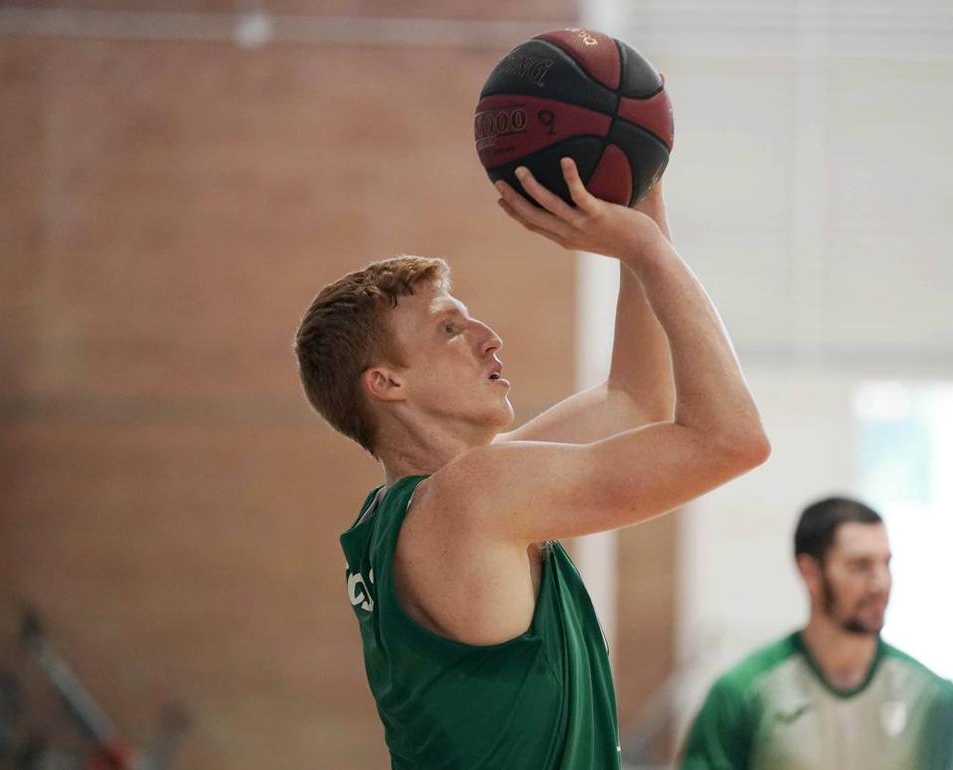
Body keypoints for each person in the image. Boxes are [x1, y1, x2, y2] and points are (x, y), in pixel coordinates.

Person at [294, 158, 770, 769]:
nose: (488, 336)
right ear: (387, 383)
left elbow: (633, 400)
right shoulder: (472, 495)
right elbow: (734, 439)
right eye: (448, 329)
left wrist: (644, 189)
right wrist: (647, 251)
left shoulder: (413, 507)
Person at [680, 497, 953, 770]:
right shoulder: (740, 693)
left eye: (885, 563)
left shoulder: (933, 698)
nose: (880, 583)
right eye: (859, 566)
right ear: (809, 572)